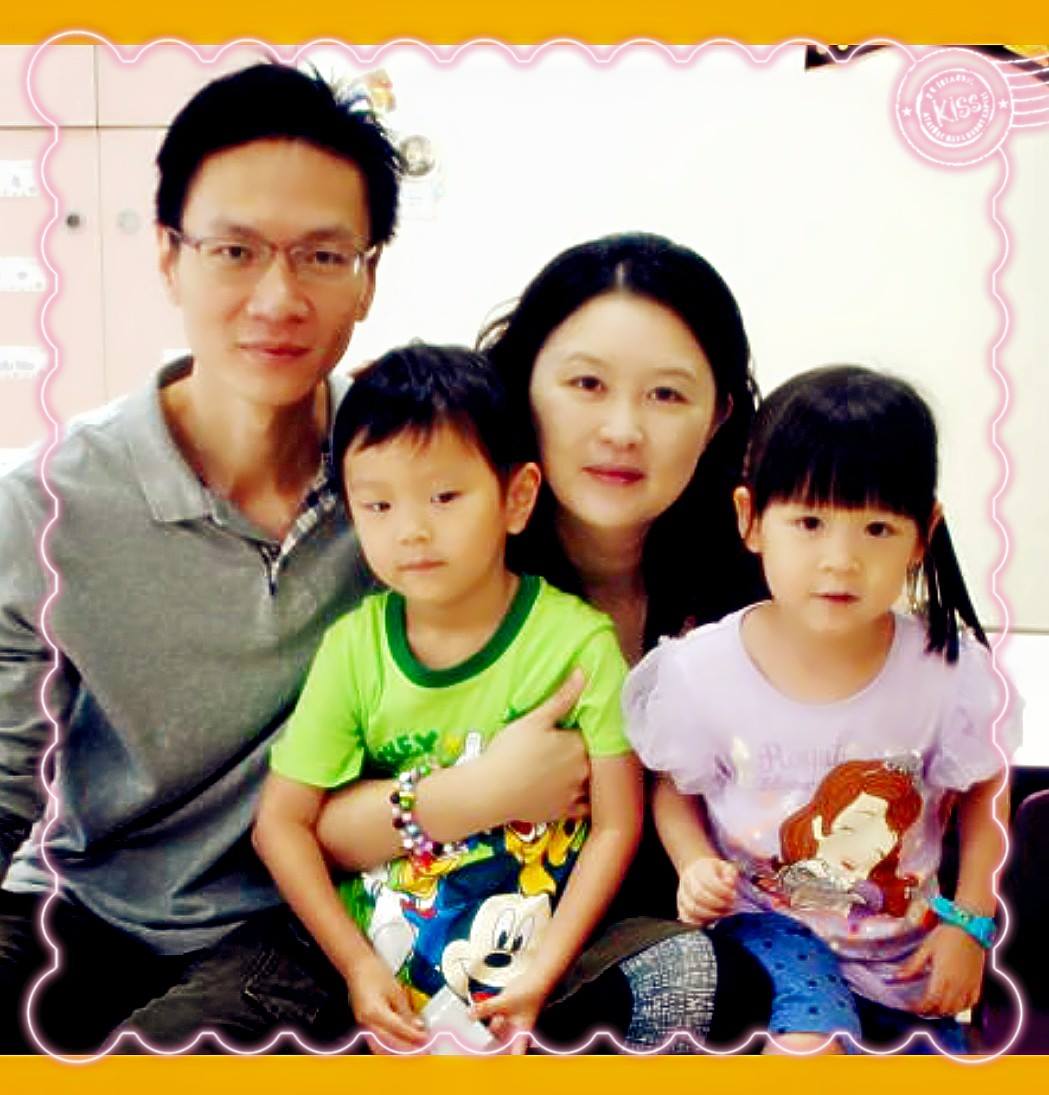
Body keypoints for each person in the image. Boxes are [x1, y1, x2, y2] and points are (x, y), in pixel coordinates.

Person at [0, 62, 590, 1055]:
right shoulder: (49, 504)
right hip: (81, 899)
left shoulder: (412, 484)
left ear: (368, 276)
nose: (276, 298)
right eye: (234, 250)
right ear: (168, 257)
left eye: (322, 255)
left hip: (291, 922)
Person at [315, 233, 772, 1052]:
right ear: (523, 384)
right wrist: (480, 790)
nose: (621, 429)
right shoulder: (442, 557)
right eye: (586, 384)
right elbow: (322, 821)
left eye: (667, 394)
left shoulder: (759, 591)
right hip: (423, 929)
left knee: (713, 983)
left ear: (717, 418)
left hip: (621, 951)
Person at [254, 343, 642, 1054]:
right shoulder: (354, 649)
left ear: (516, 498)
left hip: (526, 966)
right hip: (379, 968)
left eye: (443, 497)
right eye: (378, 504)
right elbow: (280, 825)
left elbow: (618, 825)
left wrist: (544, 972)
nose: (411, 530)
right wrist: (356, 966)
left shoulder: (578, 644)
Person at [624, 365, 1021, 1054]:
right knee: (808, 1046)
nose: (840, 560)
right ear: (750, 518)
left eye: (876, 527)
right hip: (766, 929)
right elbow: (673, 788)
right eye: (809, 522)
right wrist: (693, 864)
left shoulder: (945, 670)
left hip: (907, 952)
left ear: (922, 534)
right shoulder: (701, 670)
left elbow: (987, 791)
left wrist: (970, 924)